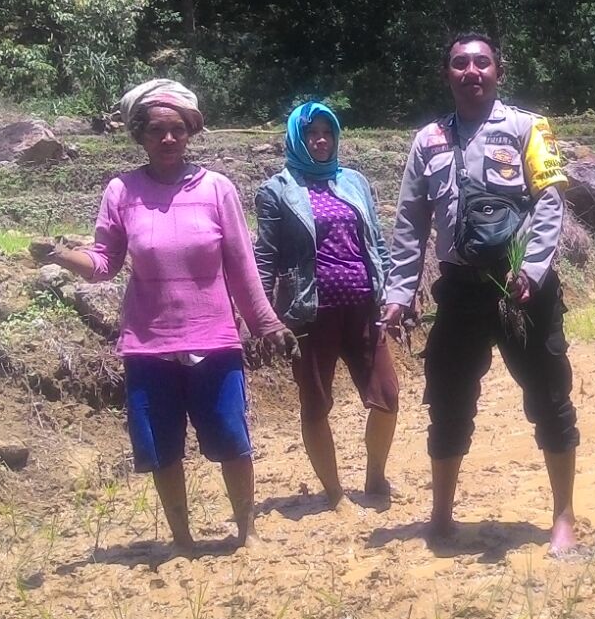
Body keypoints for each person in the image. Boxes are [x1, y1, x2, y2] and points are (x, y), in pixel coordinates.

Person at [31, 79, 296, 554]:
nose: (168, 139)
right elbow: (104, 263)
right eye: (157, 130)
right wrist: (59, 254)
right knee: (162, 450)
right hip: (149, 345)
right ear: (140, 135)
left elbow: (241, 264)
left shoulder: (217, 189)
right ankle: (182, 540)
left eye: (177, 129)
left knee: (233, 440)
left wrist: (267, 323)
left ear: (191, 131)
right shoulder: (122, 191)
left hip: (213, 340)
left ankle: (247, 532)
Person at [382, 34, 580, 552]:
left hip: (521, 290)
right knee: (447, 401)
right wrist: (399, 293)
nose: (472, 71)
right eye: (460, 63)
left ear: (499, 71)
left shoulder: (529, 128)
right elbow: (409, 223)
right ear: (447, 73)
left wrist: (532, 270)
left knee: (549, 397)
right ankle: (441, 514)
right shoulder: (428, 140)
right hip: (460, 292)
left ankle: (563, 517)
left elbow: (550, 201)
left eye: (482, 62)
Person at [255, 102, 400, 510]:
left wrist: (390, 293)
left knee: (387, 397)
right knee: (316, 404)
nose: (320, 140)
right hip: (309, 314)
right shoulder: (276, 190)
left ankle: (375, 475)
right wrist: (264, 316)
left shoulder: (354, 180)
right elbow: (265, 257)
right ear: (296, 139)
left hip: (363, 307)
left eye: (327, 132)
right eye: (311, 133)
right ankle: (335, 492)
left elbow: (376, 243)